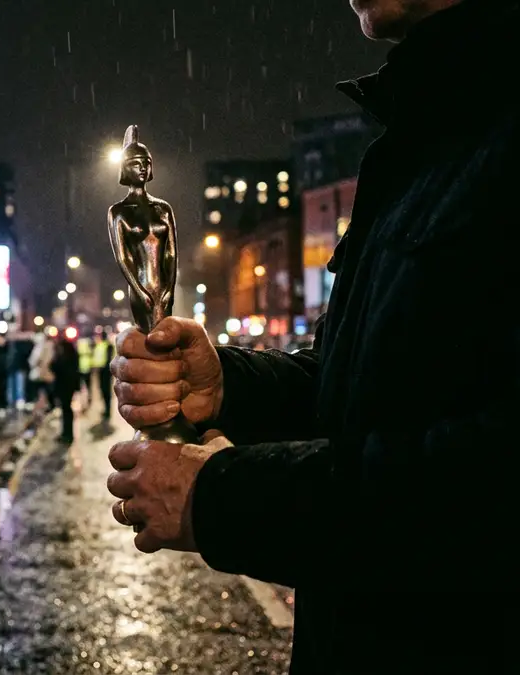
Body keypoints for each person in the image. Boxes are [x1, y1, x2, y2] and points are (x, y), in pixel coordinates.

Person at [106, 1, 520, 672]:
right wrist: (227, 384)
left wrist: (220, 498)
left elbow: (491, 486)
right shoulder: (428, 132)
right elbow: (375, 394)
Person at [51, 335, 79, 444]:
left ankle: (67, 435)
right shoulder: (72, 356)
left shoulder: (64, 358)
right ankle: (66, 433)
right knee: (66, 410)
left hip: (65, 386)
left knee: (66, 410)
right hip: (69, 386)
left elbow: (55, 367)